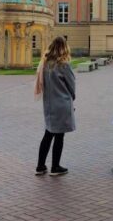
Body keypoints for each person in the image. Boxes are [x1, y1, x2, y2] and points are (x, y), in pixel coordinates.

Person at [35, 37, 76, 176]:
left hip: (48, 103)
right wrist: (72, 98)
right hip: (62, 103)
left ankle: (40, 166)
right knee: (59, 136)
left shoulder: (44, 64)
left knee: (48, 134)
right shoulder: (64, 65)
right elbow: (72, 86)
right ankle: (55, 166)